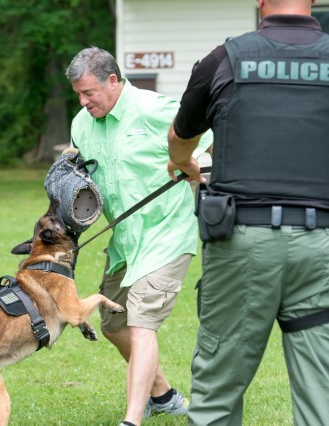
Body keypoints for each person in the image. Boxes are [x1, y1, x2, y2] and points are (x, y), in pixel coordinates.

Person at [167, 1, 329, 425]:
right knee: (325, 397)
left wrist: (186, 162)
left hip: (241, 243)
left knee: (217, 391)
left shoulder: (224, 58)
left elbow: (180, 135)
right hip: (324, 247)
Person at [65, 47, 212, 426]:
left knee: (141, 324)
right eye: (78, 94)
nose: (83, 102)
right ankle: (162, 395)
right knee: (113, 325)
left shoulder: (151, 108)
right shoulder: (82, 124)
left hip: (166, 232)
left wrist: (191, 164)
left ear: (113, 81)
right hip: (124, 241)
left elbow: (207, 129)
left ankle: (131, 420)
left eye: (89, 93)